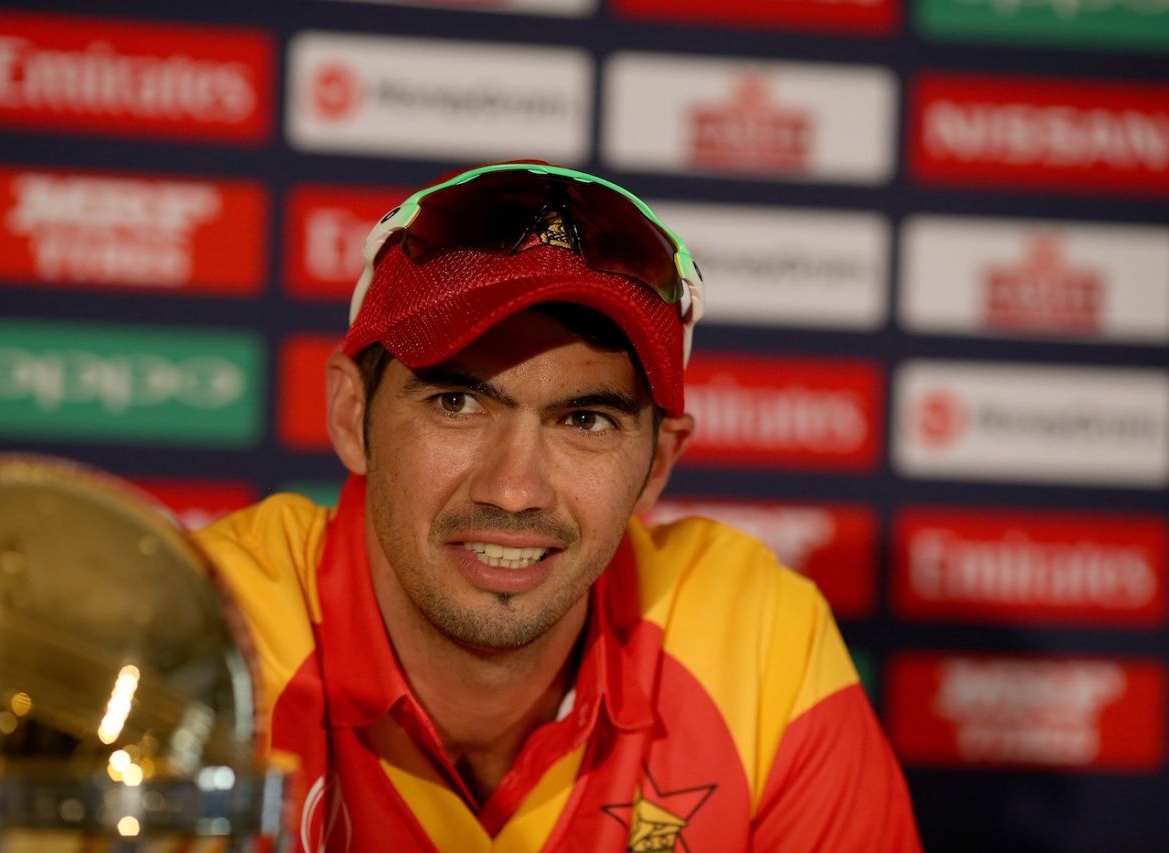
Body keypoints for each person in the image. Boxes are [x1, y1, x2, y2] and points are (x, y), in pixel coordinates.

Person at [194, 162, 920, 851]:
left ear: (659, 462)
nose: (513, 490)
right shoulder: (206, 641)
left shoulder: (758, 641)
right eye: (458, 402)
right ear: (353, 416)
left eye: (585, 420)